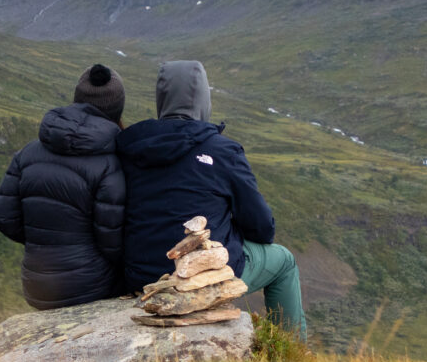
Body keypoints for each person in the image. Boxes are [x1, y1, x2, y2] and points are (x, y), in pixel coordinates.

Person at [117, 60, 306, 339]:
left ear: (162, 99)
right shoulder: (223, 151)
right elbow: (262, 229)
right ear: (204, 99)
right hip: (201, 278)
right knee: (284, 261)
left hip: (140, 275)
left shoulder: (130, 146)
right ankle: (293, 349)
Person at [0, 64, 128, 309]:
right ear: (117, 109)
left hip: (36, 286)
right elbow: (113, 242)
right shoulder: (112, 163)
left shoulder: (28, 152)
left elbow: (4, 218)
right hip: (92, 287)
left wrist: (43, 241)